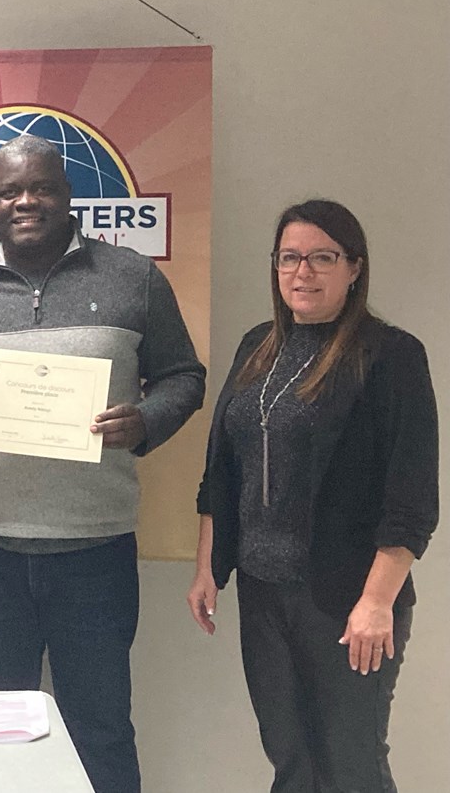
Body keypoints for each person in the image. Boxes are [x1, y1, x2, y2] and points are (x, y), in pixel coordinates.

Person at [0, 135, 205, 793]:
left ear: (67, 197)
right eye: (10, 191)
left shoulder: (133, 278)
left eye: (41, 188)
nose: (26, 201)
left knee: (102, 728)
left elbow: (184, 376)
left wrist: (147, 420)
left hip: (96, 550)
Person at [186, 200, 437, 792]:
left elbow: (412, 499)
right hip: (264, 596)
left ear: (354, 268)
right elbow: (221, 471)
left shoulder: (391, 356)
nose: (304, 272)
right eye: (290, 258)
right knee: (291, 763)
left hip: (348, 600)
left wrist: (377, 603)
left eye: (323, 258)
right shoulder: (257, 347)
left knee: (351, 767)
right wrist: (207, 569)